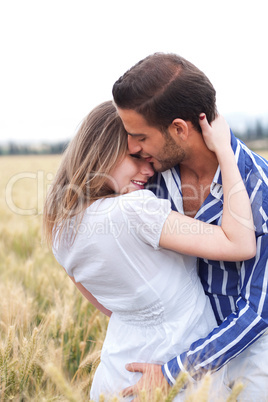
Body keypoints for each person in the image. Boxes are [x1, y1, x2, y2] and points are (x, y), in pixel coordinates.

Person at [43, 100, 255, 401]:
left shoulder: (59, 229)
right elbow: (240, 243)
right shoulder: (135, 210)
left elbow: (110, 307)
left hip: (117, 375)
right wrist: (225, 151)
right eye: (135, 157)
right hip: (177, 375)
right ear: (102, 154)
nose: (149, 168)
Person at [112, 52, 268, 401]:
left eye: (140, 136)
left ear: (179, 130)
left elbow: (259, 309)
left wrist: (175, 371)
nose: (131, 146)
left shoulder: (260, 187)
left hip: (250, 354)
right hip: (169, 343)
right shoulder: (149, 179)